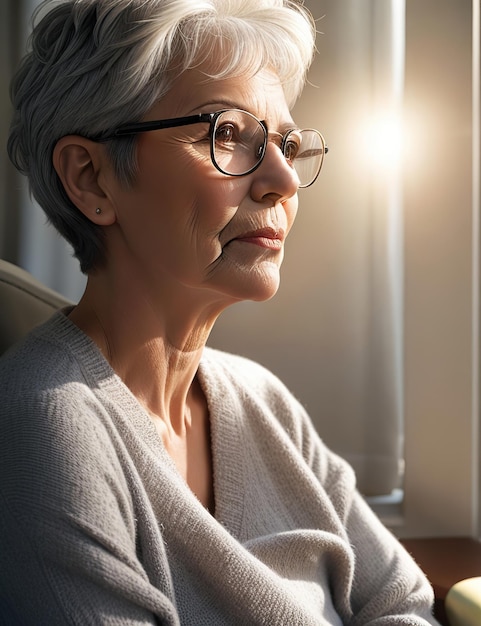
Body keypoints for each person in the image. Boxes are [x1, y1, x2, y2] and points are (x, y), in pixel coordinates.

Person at [0, 0, 440, 624]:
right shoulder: (42, 427)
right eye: (227, 134)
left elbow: (405, 602)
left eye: (286, 142)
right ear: (91, 178)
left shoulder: (262, 400)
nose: (284, 180)